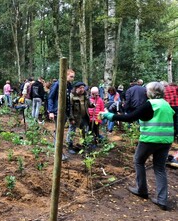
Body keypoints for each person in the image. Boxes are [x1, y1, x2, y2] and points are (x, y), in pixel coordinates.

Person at [101, 82, 174, 210]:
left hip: (150, 139)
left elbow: (130, 117)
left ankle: (142, 190)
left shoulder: (150, 104)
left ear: (150, 92)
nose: (145, 93)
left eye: (146, 91)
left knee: (138, 161)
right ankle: (162, 200)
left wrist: (111, 116)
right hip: (166, 140)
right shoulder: (167, 105)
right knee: (160, 168)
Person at [47, 69, 75, 159]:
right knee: (58, 132)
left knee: (60, 131)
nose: (72, 78)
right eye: (71, 76)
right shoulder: (57, 84)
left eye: (73, 77)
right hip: (57, 111)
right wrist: (51, 111)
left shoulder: (69, 85)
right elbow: (50, 97)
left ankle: (59, 152)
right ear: (65, 75)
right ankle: (58, 154)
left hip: (65, 112)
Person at [68, 82, 91, 151]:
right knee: (72, 131)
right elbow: (69, 108)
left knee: (84, 130)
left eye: (83, 88)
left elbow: (88, 104)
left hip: (84, 117)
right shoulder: (72, 96)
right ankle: (70, 145)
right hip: (75, 117)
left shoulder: (85, 95)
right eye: (80, 88)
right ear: (76, 88)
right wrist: (71, 118)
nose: (82, 89)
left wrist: (92, 105)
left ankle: (84, 144)